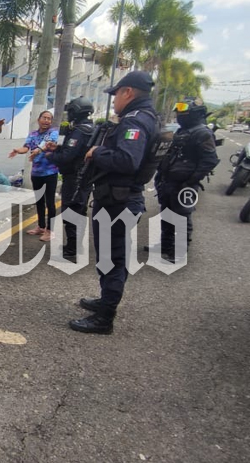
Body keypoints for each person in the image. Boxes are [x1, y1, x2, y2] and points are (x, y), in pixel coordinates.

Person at [70, 71, 160, 335]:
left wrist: (98, 151)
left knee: (113, 259)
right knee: (110, 257)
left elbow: (127, 160)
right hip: (119, 198)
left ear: (128, 92)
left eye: (116, 94)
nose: (114, 101)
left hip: (118, 201)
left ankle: (104, 318)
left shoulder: (135, 121)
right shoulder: (147, 117)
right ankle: (105, 301)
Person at [151, 96, 219, 262]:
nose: (179, 115)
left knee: (182, 217)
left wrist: (190, 180)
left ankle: (179, 252)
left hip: (184, 184)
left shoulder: (203, 133)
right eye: (178, 112)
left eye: (183, 112)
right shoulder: (182, 131)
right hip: (169, 180)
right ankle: (165, 245)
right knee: (166, 213)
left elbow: (210, 160)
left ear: (195, 113)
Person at [44, 97, 95, 259]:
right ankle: (76, 244)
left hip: (75, 178)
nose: (69, 114)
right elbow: (75, 151)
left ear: (76, 112)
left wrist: (50, 155)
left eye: (71, 111)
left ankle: (73, 247)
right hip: (85, 177)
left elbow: (68, 156)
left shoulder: (80, 131)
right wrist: (58, 148)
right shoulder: (91, 128)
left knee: (71, 210)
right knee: (79, 209)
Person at [9, 111, 59, 242]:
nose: (46, 121)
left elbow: (47, 144)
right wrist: (17, 150)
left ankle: (50, 231)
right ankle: (41, 227)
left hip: (50, 172)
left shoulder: (53, 132)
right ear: (38, 119)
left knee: (50, 202)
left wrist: (37, 151)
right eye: (44, 118)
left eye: (49, 119)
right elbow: (26, 148)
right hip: (36, 173)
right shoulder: (33, 134)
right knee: (39, 200)